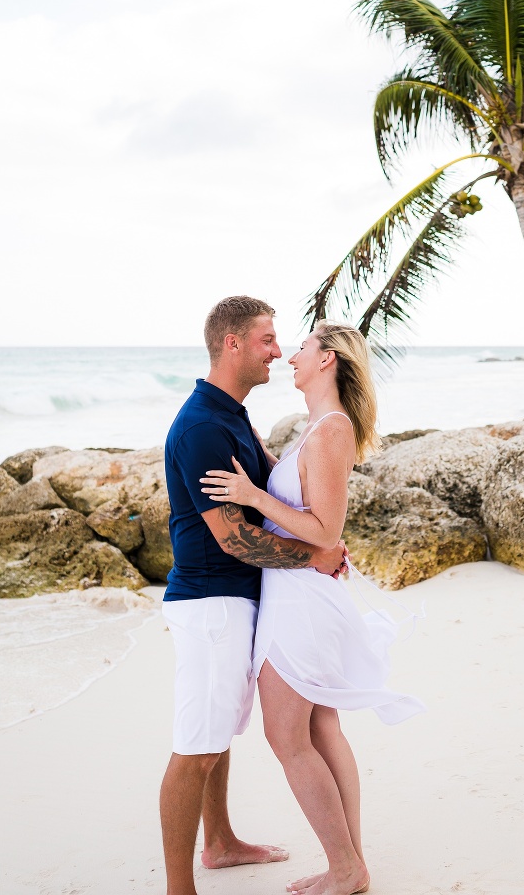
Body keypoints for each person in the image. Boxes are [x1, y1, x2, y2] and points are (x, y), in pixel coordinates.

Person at [202, 321, 424, 895]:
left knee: (288, 736)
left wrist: (251, 495)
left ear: (327, 360)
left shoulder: (331, 431)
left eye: (300, 347)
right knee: (321, 726)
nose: (289, 355)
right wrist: (249, 440)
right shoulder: (315, 431)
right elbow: (301, 496)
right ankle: (349, 862)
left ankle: (347, 866)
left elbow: (325, 529)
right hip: (295, 594)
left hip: (301, 601)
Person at [160, 297, 347, 895]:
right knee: (197, 746)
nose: (278, 350)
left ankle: (219, 842)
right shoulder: (203, 428)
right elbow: (234, 538)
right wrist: (314, 557)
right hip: (211, 601)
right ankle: (178, 887)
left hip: (234, 600)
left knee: (218, 733)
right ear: (233, 343)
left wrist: (323, 539)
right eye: (268, 339)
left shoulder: (232, 416)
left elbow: (279, 496)